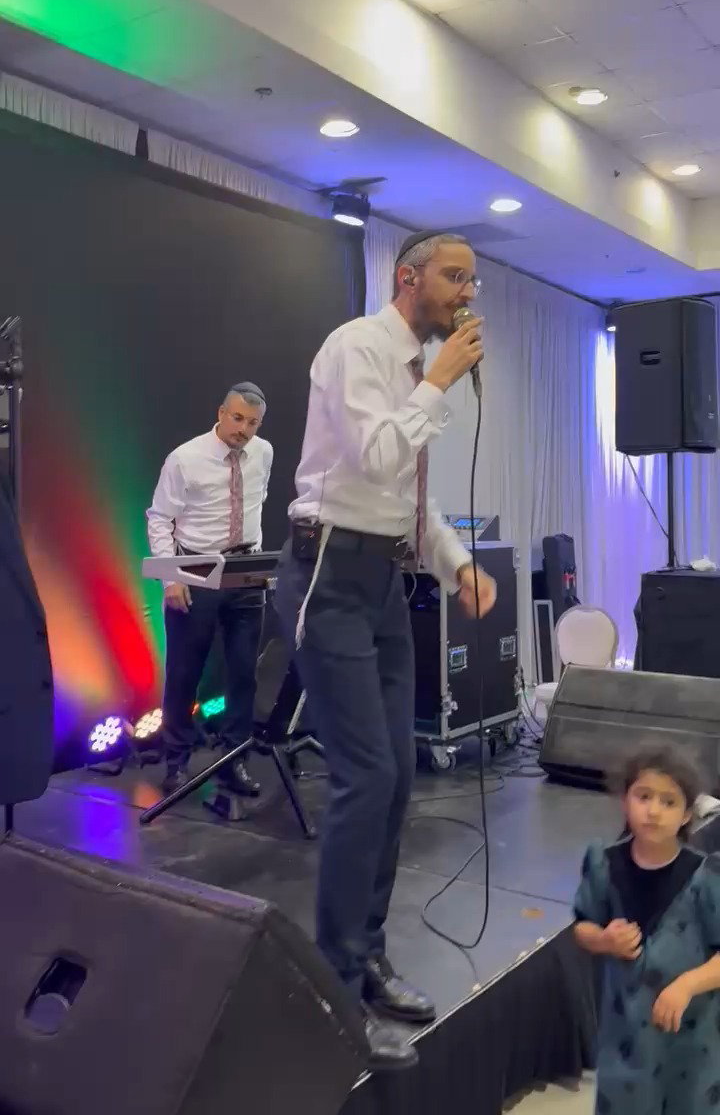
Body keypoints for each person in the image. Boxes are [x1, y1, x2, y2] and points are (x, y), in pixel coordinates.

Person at [273, 231, 497, 1071]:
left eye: (472, 280)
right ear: (408, 278)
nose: (465, 293)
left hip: (384, 579)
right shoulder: (357, 348)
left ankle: (365, 957)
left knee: (398, 774)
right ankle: (332, 993)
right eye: (454, 276)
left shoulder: (411, 372)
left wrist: (457, 562)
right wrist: (439, 384)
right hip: (328, 572)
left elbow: (406, 498)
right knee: (366, 776)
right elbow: (373, 458)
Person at [573, 742, 720, 1115]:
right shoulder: (604, 864)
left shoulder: (706, 876)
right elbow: (582, 926)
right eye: (644, 796)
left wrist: (687, 985)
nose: (653, 811)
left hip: (691, 1041)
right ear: (625, 800)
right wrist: (604, 940)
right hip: (626, 1039)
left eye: (669, 802)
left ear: (687, 815)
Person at [147, 383, 273, 797]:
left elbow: (256, 503)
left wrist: (258, 563)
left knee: (244, 674)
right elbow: (159, 518)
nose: (243, 429)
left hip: (246, 571)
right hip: (196, 569)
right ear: (221, 413)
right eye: (237, 418)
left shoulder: (263, 453)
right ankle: (176, 762)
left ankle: (234, 761)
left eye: (252, 422)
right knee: (185, 672)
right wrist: (171, 578)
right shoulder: (185, 458)